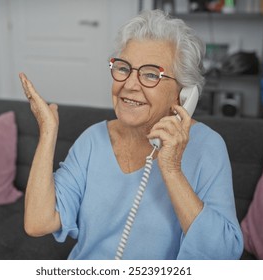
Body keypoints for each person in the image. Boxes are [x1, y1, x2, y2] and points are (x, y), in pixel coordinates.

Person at [20, 9, 243, 260]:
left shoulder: (207, 146)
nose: (129, 84)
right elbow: (37, 223)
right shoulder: (93, 140)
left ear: (183, 93)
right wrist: (48, 133)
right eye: (123, 68)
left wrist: (171, 169)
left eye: (150, 74)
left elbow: (222, 255)